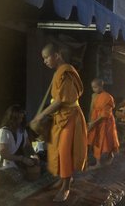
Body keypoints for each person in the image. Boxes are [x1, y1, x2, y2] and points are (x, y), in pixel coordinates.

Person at [31, 43, 87, 202]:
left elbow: (60, 102)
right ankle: (64, 179)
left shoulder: (66, 73)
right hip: (61, 116)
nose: (45, 61)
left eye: (47, 57)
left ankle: (66, 187)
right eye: (44, 59)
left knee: (65, 151)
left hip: (70, 117)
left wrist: (40, 115)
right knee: (56, 149)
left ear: (57, 55)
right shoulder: (59, 72)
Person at [0, 105, 38, 185]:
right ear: (12, 119)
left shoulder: (21, 130)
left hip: (16, 160)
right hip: (4, 163)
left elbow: (27, 146)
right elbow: (4, 154)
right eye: (19, 119)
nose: (21, 121)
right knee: (18, 177)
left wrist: (34, 155)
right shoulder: (3, 132)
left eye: (22, 118)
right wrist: (22, 159)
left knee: (40, 165)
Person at [88, 79, 119, 169]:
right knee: (97, 140)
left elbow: (105, 114)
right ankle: (108, 157)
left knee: (105, 140)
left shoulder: (107, 97)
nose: (94, 89)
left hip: (105, 122)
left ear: (101, 86)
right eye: (92, 87)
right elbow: (92, 109)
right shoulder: (94, 95)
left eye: (95, 87)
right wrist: (90, 120)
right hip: (95, 120)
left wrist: (93, 123)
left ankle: (99, 163)